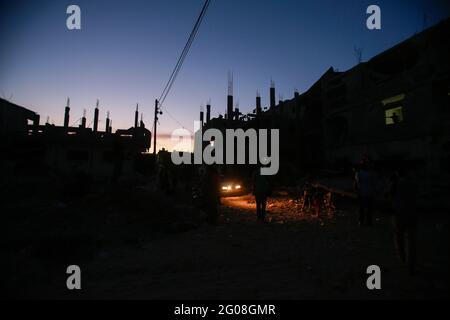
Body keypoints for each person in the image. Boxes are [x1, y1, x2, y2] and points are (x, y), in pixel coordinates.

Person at [388, 170, 417, 275]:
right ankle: (410, 264)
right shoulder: (413, 182)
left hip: (398, 213)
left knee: (399, 237)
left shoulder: (395, 183)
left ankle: (402, 259)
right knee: (411, 240)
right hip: (412, 212)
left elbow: (389, 195)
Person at [355, 161, 375, 226]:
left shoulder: (359, 173)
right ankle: (368, 221)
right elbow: (373, 183)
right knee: (368, 208)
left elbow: (356, 183)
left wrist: (357, 190)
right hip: (369, 192)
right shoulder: (371, 173)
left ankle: (361, 221)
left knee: (362, 208)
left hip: (362, 192)